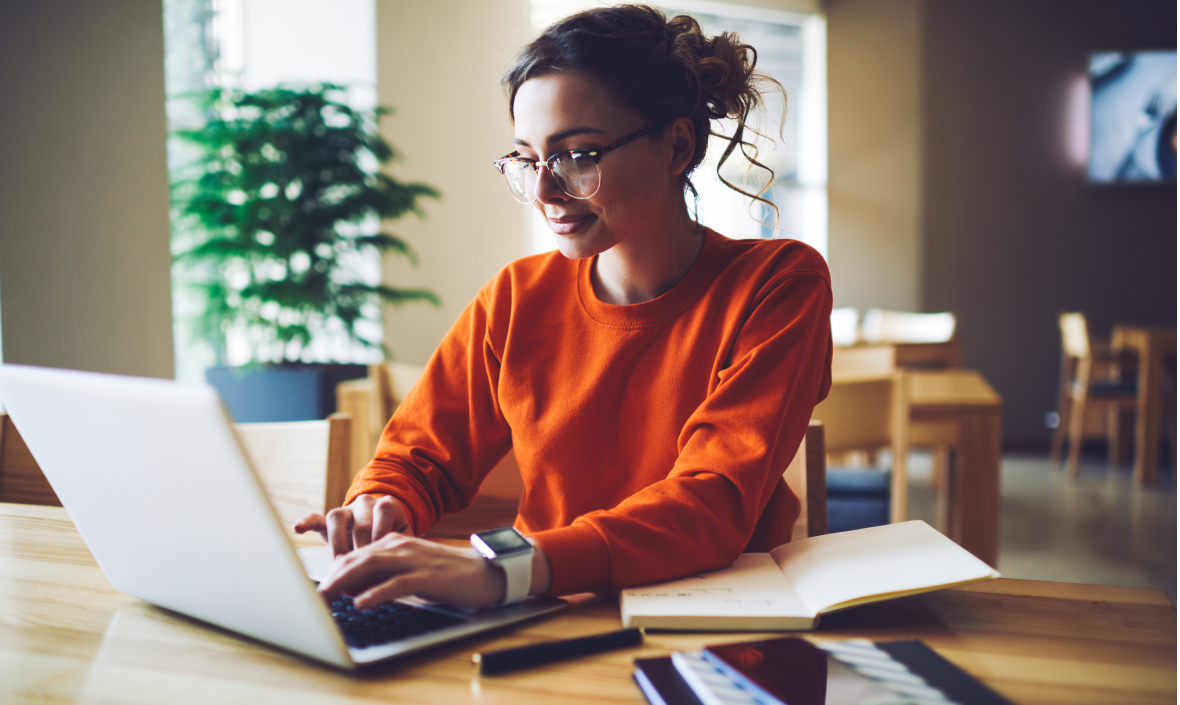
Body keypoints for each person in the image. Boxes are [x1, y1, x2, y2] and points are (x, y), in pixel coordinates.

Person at [296, 4, 832, 611]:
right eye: (527, 158)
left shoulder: (779, 284)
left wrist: (504, 570)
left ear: (677, 145)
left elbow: (708, 505)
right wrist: (380, 503)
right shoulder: (515, 298)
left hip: (719, 626)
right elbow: (415, 458)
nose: (545, 191)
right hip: (545, 616)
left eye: (578, 155)